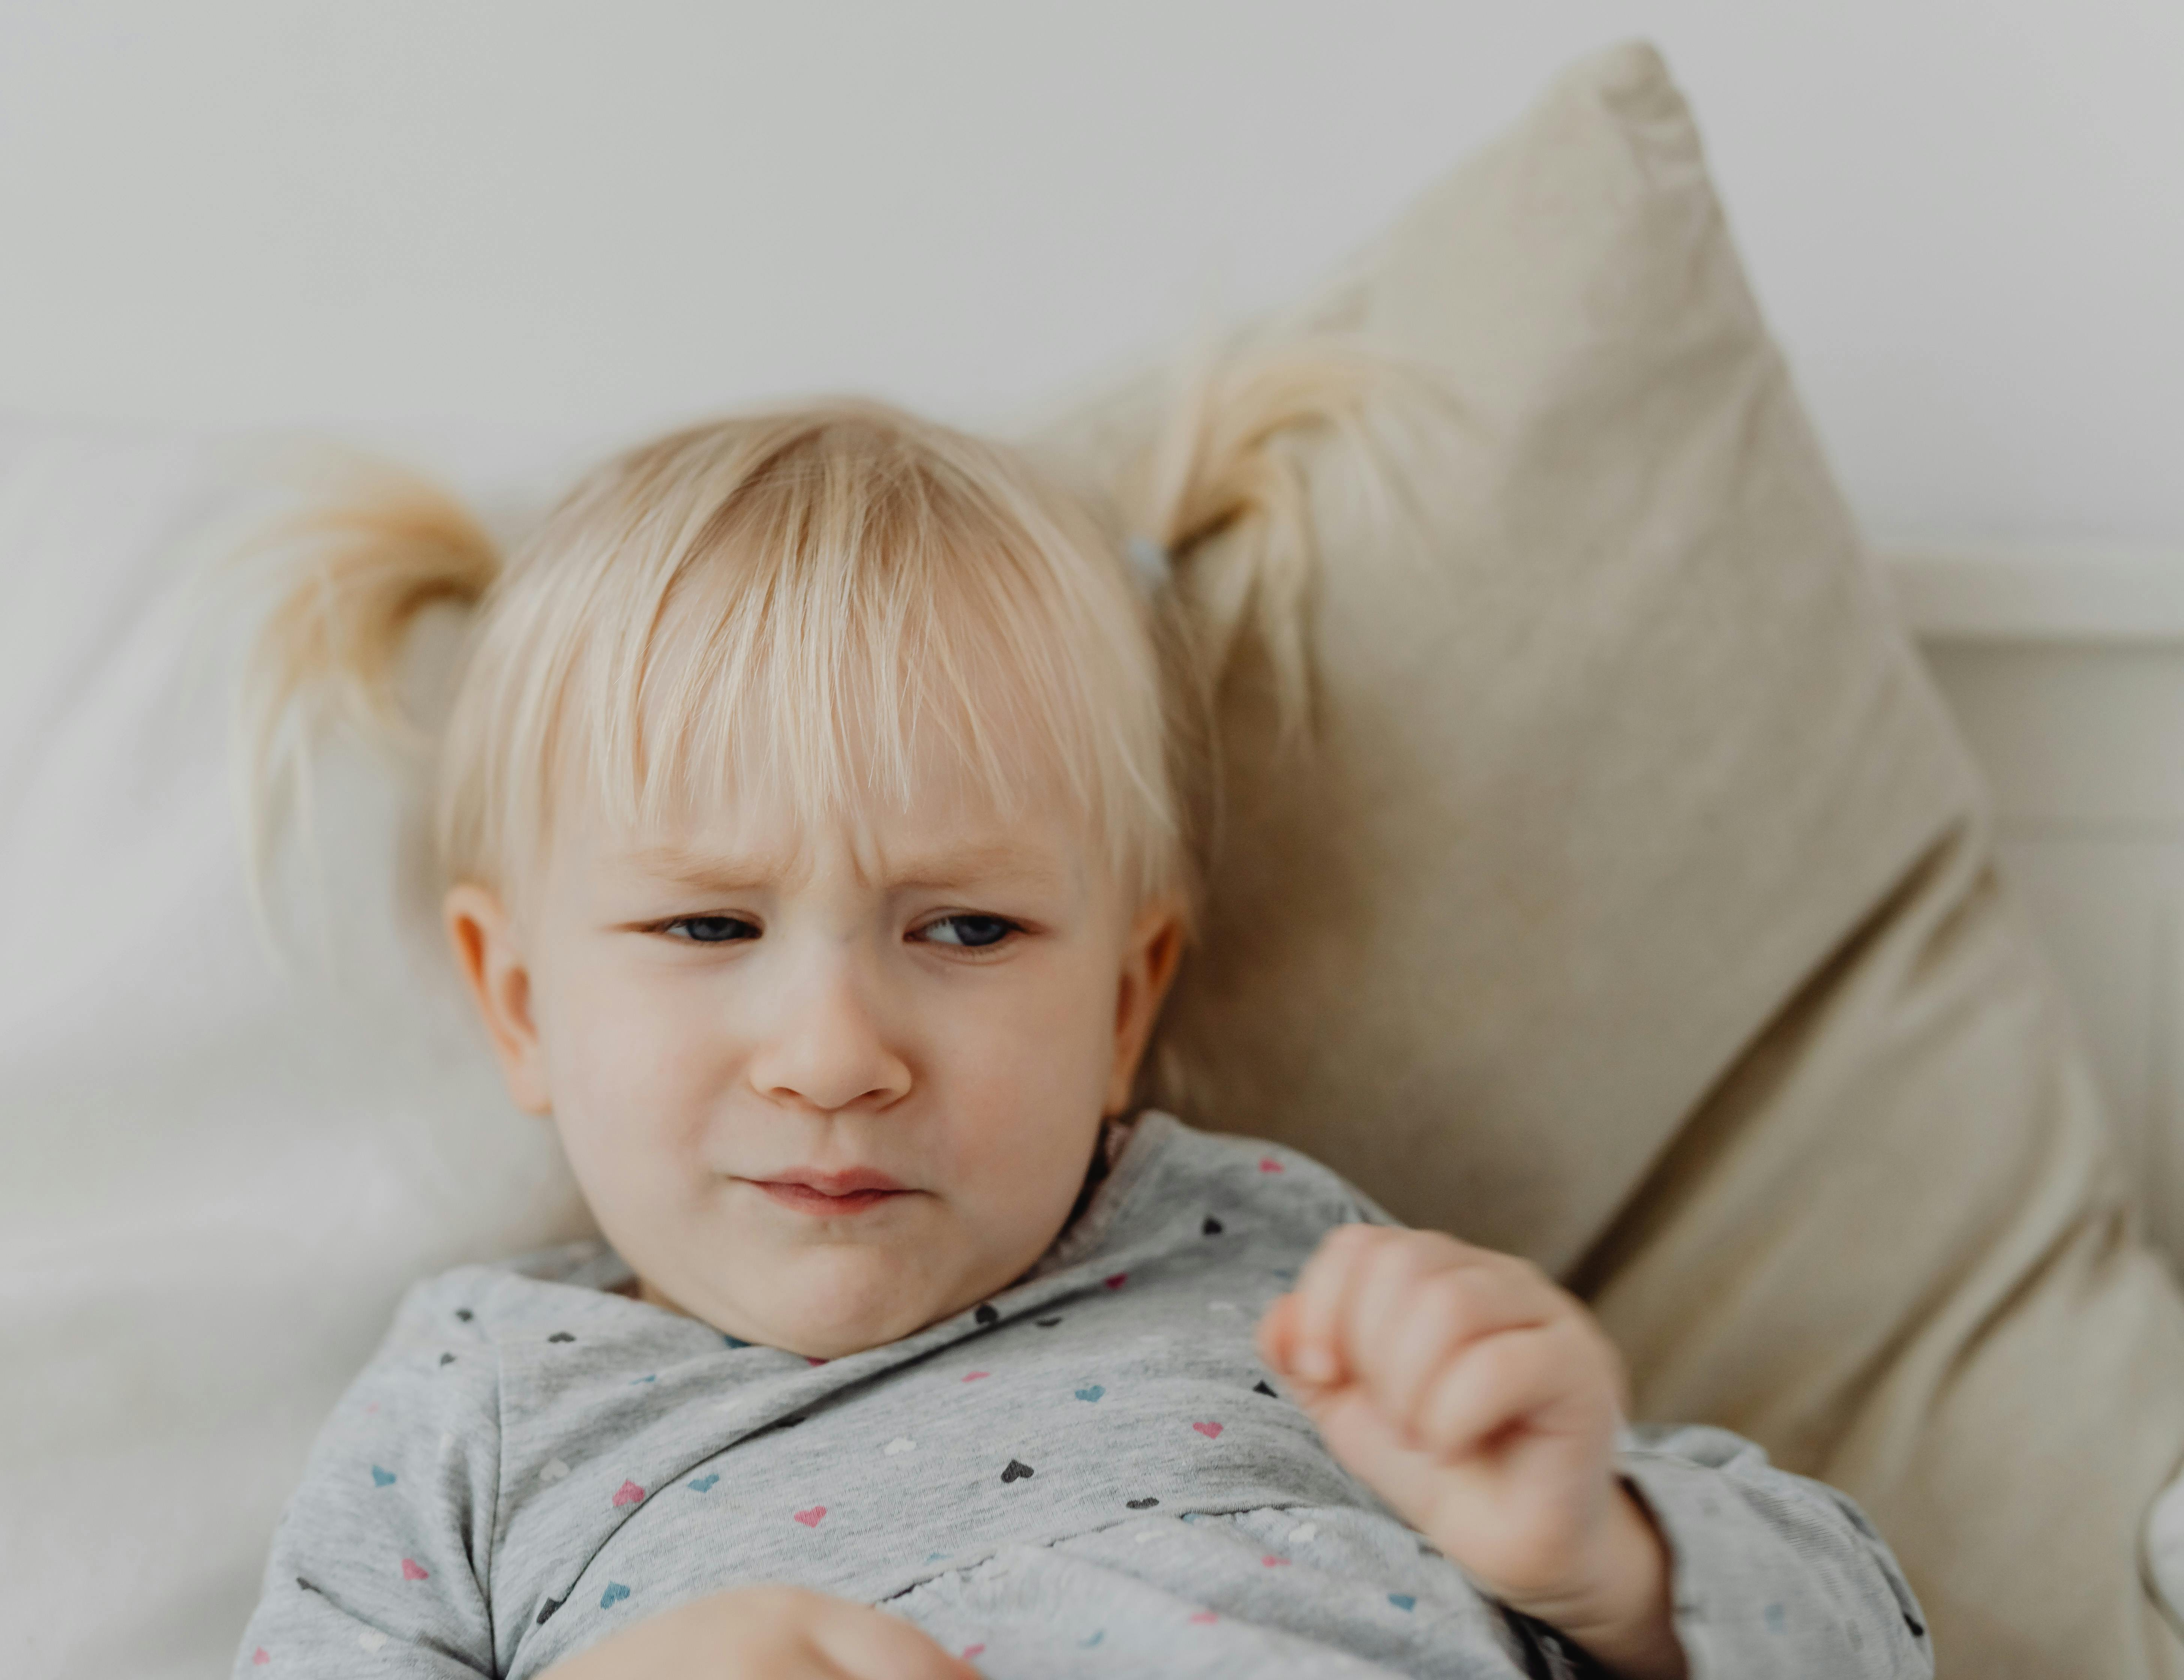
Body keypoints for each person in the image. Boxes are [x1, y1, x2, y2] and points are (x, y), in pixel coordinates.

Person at [228, 372, 1932, 1679]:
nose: (834, 1053)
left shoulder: (1286, 1266)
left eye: (965, 927)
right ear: (521, 1002)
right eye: (708, 925)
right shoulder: (483, 1407)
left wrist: (1605, 1561)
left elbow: (1875, 1628)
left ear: (1124, 1003)